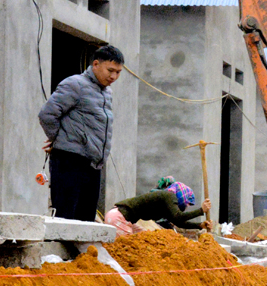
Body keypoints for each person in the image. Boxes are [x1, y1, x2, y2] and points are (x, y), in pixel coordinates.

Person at [38, 45, 125, 221]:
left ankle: (84, 251)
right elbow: (47, 114)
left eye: (118, 72)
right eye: (110, 70)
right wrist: (58, 139)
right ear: (95, 64)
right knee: (65, 218)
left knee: (85, 221)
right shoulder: (75, 84)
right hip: (70, 161)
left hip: (93, 164)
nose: (113, 76)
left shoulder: (107, 93)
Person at [106, 178, 210, 233]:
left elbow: (178, 222)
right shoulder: (169, 196)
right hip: (119, 218)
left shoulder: (167, 204)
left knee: (145, 238)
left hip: (121, 218)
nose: (186, 206)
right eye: (187, 202)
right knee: (127, 247)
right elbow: (178, 216)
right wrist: (201, 211)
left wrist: (199, 226)